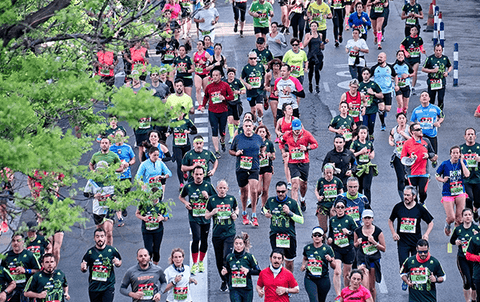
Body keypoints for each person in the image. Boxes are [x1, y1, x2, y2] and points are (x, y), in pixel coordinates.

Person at [178, 166, 216, 275]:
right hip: (193, 216)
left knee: (204, 239)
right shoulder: (189, 186)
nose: (198, 176)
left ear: (203, 175)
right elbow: (181, 197)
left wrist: (207, 197)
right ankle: (194, 263)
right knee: (196, 238)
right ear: (193, 175)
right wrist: (186, 203)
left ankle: (200, 262)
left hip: (205, 217)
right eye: (196, 174)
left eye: (200, 174)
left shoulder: (208, 186)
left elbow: (215, 200)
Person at [388, 186, 434, 271]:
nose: (405, 197)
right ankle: (405, 283)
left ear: (414, 196)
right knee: (403, 265)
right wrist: (394, 233)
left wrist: (426, 234)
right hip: (403, 242)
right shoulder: (398, 207)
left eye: (408, 195)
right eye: (404, 195)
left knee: (415, 267)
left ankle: (413, 283)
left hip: (415, 242)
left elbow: (430, 223)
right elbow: (390, 221)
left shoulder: (419, 208)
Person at [230, 119, 265, 226]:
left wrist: (262, 153)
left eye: (250, 125)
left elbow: (263, 146)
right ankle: (244, 213)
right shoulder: (238, 138)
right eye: (246, 126)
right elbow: (230, 150)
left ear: (253, 127)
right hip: (241, 168)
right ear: (243, 127)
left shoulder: (257, 138)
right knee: (244, 192)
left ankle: (254, 215)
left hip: (254, 167)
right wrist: (236, 153)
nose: (248, 128)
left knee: (254, 190)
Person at [205, 180, 239, 291]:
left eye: (224, 188)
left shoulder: (231, 199)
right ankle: (224, 280)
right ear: (217, 188)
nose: (222, 190)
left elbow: (236, 209)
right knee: (219, 259)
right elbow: (206, 216)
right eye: (220, 188)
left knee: (227, 256)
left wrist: (235, 214)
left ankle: (229, 280)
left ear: (227, 189)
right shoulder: (212, 200)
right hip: (217, 234)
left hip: (229, 232)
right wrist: (212, 213)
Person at [264, 181, 304, 272]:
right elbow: (265, 208)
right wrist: (266, 213)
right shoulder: (271, 201)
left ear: (286, 190)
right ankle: (278, 281)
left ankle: (289, 281)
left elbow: (301, 220)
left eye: (283, 191)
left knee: (289, 262)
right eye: (278, 191)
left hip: (289, 236)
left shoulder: (292, 203)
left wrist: (289, 213)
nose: (281, 194)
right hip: (275, 235)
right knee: (277, 260)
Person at [279, 119, 318, 210]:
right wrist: (283, 152)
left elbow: (315, 144)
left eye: (298, 129)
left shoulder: (306, 134)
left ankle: (303, 199)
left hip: (304, 162)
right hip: (293, 163)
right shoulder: (287, 135)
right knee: (295, 184)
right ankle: (294, 207)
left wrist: (307, 148)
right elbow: (280, 141)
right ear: (292, 128)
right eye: (295, 129)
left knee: (303, 184)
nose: (297, 131)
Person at [199, 69, 235, 158]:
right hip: (212, 111)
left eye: (216, 75)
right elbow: (206, 97)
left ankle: (222, 142)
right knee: (214, 130)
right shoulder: (209, 87)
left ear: (220, 76)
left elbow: (232, 96)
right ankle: (217, 150)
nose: (214, 77)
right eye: (213, 75)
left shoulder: (225, 85)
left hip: (223, 111)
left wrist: (224, 98)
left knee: (222, 131)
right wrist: (202, 105)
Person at [81, 228, 122, 302]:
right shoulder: (90, 253)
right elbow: (84, 264)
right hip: (94, 287)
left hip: (108, 286)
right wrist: (83, 268)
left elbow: (119, 260)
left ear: (105, 237)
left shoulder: (112, 251)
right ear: (94, 238)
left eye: (102, 236)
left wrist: (118, 263)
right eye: (97, 236)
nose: (100, 239)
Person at [400, 123, 438, 203]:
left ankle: (422, 203)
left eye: (421, 128)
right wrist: (411, 158)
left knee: (422, 192)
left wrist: (428, 155)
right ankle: (417, 206)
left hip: (423, 172)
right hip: (412, 172)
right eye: (418, 129)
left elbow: (432, 152)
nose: (421, 130)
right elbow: (402, 158)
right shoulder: (407, 143)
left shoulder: (426, 141)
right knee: (413, 193)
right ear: (412, 132)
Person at [436, 145, 469, 235]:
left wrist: (462, 162)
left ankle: (456, 236)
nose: (455, 155)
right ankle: (447, 224)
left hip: (460, 192)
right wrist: (443, 180)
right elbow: (437, 175)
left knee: (459, 218)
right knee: (451, 217)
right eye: (453, 153)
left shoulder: (463, 162)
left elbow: (467, 174)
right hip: (448, 193)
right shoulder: (445, 164)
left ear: (460, 154)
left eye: (457, 153)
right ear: (450, 154)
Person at [327, 199, 357, 298]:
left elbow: (357, 233)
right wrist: (330, 239)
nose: (340, 209)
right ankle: (338, 295)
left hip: (348, 249)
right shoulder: (332, 220)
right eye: (338, 207)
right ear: (335, 209)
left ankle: (347, 293)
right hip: (337, 249)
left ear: (345, 208)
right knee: (337, 271)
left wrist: (348, 232)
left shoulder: (349, 219)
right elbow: (330, 234)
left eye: (342, 207)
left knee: (347, 274)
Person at [353, 210, 386, 301]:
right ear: (362, 219)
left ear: (372, 219)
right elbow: (354, 245)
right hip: (362, 259)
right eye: (365, 218)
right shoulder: (357, 231)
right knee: (365, 286)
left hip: (373, 259)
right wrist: (357, 243)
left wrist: (375, 243)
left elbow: (383, 248)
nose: (367, 220)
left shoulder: (378, 231)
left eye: (369, 218)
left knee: (371, 287)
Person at [450, 208, 479, 302]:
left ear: (472, 217)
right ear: (462, 218)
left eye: (469, 215)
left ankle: (474, 300)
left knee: (474, 282)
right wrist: (456, 242)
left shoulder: (476, 229)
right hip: (462, 258)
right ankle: (467, 301)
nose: (468, 217)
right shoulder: (458, 229)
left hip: (474, 259)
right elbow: (451, 241)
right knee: (467, 282)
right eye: (465, 215)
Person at [135, 187, 169, 266]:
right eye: (152, 196)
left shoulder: (162, 205)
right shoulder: (144, 204)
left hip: (158, 230)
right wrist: (143, 218)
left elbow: (166, 217)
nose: (153, 199)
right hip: (147, 230)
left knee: (156, 250)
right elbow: (137, 213)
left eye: (155, 197)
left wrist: (162, 218)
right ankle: (148, 267)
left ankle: (155, 268)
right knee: (148, 250)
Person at [1, 234, 40, 302]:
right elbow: (2, 273)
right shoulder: (6, 255)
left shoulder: (29, 255)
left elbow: (38, 271)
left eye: (18, 241)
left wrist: (26, 271)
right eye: (13, 241)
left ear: (23, 242)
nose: (15, 243)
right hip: (11, 290)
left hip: (25, 289)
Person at [222, 233, 260, 302]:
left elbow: (259, 272)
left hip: (247, 290)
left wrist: (248, 271)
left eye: (240, 244)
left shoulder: (249, 257)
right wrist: (225, 272)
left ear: (244, 245)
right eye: (236, 243)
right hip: (234, 289)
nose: (238, 246)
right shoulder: (229, 257)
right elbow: (227, 270)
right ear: (233, 244)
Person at [301, 226, 335, 302]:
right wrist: (303, 265)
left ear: (322, 237)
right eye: (315, 235)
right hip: (310, 278)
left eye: (319, 235)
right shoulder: (307, 248)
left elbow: (334, 266)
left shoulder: (327, 249)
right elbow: (305, 258)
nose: (317, 237)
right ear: (312, 236)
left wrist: (330, 260)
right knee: (314, 300)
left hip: (323, 279)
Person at [109, 130, 135, 227]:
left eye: (121, 136)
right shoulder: (111, 148)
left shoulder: (128, 148)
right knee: (117, 196)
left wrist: (129, 163)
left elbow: (133, 159)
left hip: (126, 176)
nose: (119, 138)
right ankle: (119, 218)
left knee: (125, 194)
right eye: (117, 136)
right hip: (115, 177)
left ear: (124, 137)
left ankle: (123, 206)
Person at [169, 110, 198, 189]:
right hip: (176, 146)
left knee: (187, 163)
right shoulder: (173, 122)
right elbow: (170, 130)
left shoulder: (187, 121)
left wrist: (188, 131)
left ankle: (185, 172)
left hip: (186, 145)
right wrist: (168, 133)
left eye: (181, 112)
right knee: (179, 163)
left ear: (183, 113)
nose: (179, 114)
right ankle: (181, 183)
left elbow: (195, 131)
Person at [422, 44, 453, 111]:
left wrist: (447, 72)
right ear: (434, 50)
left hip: (441, 81)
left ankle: (440, 112)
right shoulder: (430, 58)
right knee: (431, 99)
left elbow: (450, 66)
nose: (438, 52)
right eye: (436, 50)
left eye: (439, 50)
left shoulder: (445, 58)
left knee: (440, 98)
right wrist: (432, 71)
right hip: (432, 82)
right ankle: (431, 112)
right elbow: (423, 69)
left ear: (442, 51)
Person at [370, 52, 396, 131]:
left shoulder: (390, 67)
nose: (379, 58)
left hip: (388, 91)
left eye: (381, 57)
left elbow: (395, 76)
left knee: (387, 109)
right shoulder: (374, 68)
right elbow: (367, 77)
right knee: (381, 108)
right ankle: (383, 124)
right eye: (378, 57)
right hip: (378, 92)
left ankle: (384, 112)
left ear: (385, 58)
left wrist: (396, 85)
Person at [350, 126, 376, 203]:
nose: (363, 135)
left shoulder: (369, 143)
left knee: (367, 187)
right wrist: (360, 152)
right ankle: (359, 203)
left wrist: (372, 155)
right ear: (358, 133)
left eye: (365, 133)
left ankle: (367, 204)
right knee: (359, 187)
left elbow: (372, 152)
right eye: (361, 133)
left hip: (367, 167)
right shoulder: (355, 143)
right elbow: (350, 155)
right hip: (358, 168)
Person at [315, 164, 344, 233]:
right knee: (323, 228)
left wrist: (340, 200)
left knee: (334, 226)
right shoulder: (321, 181)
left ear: (333, 171)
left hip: (334, 206)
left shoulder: (337, 181)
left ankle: (333, 239)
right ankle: (322, 238)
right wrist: (318, 197)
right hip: (323, 206)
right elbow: (316, 190)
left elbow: (341, 191)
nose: (328, 174)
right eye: (326, 173)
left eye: (330, 172)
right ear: (324, 172)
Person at [389, 112, 411, 199]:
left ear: (406, 119)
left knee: (408, 178)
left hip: (408, 157)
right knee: (401, 178)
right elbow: (390, 136)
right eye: (400, 118)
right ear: (397, 120)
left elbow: (413, 139)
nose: (401, 120)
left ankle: (410, 196)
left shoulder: (409, 129)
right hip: (398, 156)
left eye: (403, 118)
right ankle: (402, 198)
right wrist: (390, 141)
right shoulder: (394, 129)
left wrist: (404, 134)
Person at [241, 51, 266, 124]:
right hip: (251, 92)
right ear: (248, 59)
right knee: (253, 110)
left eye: (254, 58)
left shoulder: (260, 66)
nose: (253, 60)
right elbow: (241, 79)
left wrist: (265, 83)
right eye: (251, 58)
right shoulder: (246, 68)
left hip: (259, 91)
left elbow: (265, 75)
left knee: (259, 108)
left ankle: (260, 119)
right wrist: (246, 85)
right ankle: (254, 124)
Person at [359, 67, 384, 141]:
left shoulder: (373, 84)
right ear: (362, 75)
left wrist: (373, 93)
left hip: (373, 108)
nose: (366, 76)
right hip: (364, 109)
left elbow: (381, 95)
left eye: (367, 74)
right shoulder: (359, 85)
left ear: (369, 75)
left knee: (371, 125)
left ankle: (371, 133)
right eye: (364, 74)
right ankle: (365, 140)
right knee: (364, 125)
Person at [400, 26, 425, 94]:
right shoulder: (407, 39)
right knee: (407, 72)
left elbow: (420, 46)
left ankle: (412, 87)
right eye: (412, 30)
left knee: (415, 72)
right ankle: (406, 85)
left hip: (416, 58)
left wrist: (422, 50)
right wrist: (406, 52)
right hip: (408, 59)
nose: (414, 32)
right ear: (410, 31)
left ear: (417, 31)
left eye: (415, 30)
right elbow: (401, 46)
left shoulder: (419, 39)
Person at [460, 128, 480, 213]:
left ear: (475, 136)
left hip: (477, 178)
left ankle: (475, 211)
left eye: (472, 134)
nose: (470, 136)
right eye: (468, 134)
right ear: (465, 137)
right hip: (466, 179)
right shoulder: (461, 149)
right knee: (469, 199)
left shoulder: (479, 147)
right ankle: (470, 216)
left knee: (478, 202)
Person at [225, 68, 246, 144]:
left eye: (232, 74)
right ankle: (231, 137)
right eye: (229, 74)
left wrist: (239, 92)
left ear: (234, 75)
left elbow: (244, 90)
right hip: (228, 103)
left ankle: (238, 133)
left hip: (236, 103)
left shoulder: (237, 82)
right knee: (230, 119)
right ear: (227, 75)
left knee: (236, 122)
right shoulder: (224, 82)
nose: (231, 75)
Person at [256, 126, 275, 209]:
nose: (262, 133)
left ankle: (263, 207)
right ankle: (255, 197)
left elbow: (274, 156)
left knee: (265, 189)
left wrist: (270, 155)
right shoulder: (254, 142)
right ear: (257, 133)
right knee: (258, 190)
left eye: (263, 132)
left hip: (267, 167)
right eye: (260, 131)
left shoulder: (269, 143)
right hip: (257, 168)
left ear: (266, 133)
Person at [303, 21, 325, 94]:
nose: (313, 28)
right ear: (310, 27)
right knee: (311, 70)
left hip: (318, 54)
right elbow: (304, 45)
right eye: (312, 26)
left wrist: (323, 44)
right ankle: (310, 83)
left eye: (315, 26)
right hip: (311, 54)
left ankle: (317, 85)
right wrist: (310, 38)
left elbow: (322, 47)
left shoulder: (320, 35)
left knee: (317, 70)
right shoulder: (308, 34)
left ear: (317, 27)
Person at [393, 50, 414, 114]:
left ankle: (404, 116)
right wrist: (395, 77)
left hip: (406, 86)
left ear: (404, 57)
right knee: (400, 104)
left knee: (405, 106)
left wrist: (407, 75)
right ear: (396, 56)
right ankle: (399, 116)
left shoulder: (407, 65)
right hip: (398, 87)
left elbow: (413, 73)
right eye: (399, 55)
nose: (400, 56)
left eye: (402, 55)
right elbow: (390, 75)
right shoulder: (394, 66)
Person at [193, 40, 211, 110]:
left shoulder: (206, 54)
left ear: (203, 46)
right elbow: (193, 63)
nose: (198, 46)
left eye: (200, 44)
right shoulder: (195, 54)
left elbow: (210, 62)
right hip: (198, 74)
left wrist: (204, 63)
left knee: (205, 89)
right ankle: (200, 104)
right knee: (197, 88)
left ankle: (208, 102)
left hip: (205, 74)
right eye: (197, 44)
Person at [265, 59, 282, 127]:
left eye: (277, 66)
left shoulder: (283, 74)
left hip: (282, 97)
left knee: (282, 116)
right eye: (274, 66)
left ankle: (283, 130)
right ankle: (277, 131)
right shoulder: (269, 75)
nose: (276, 68)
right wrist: (268, 88)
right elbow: (266, 86)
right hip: (273, 97)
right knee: (275, 116)